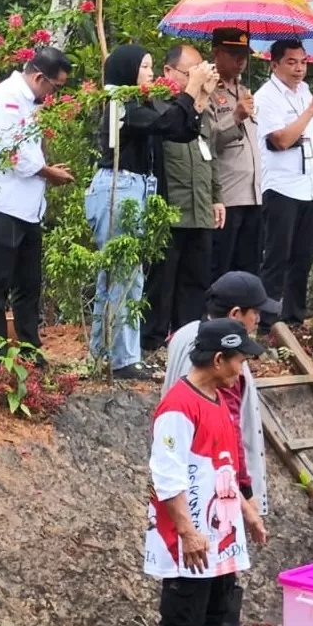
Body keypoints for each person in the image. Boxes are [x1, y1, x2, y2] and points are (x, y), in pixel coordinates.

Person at [145, 317, 268, 626]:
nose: (242, 369)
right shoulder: (178, 406)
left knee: (215, 608)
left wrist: (249, 514)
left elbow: (226, 464)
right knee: (180, 616)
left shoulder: (218, 400)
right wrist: (186, 531)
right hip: (190, 532)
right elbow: (166, 473)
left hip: (220, 528)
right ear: (218, 359)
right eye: (238, 361)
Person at [162, 271, 280, 626]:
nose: (257, 324)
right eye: (255, 315)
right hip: (211, 484)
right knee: (205, 579)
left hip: (196, 478)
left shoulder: (184, 336)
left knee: (201, 578)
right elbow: (228, 433)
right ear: (235, 313)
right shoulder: (224, 361)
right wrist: (245, 495)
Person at [87, 44, 211, 380]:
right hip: (119, 188)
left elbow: (179, 130)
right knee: (124, 275)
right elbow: (164, 122)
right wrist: (188, 88)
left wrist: (197, 97)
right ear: (127, 70)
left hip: (135, 189)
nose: (150, 74)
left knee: (123, 275)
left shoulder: (136, 103)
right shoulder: (119, 103)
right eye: (144, 67)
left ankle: (106, 354)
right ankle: (122, 357)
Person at [0, 46, 75, 366]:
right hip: (2, 203)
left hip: (27, 207)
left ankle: (31, 352)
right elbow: (12, 152)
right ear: (39, 76)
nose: (53, 95)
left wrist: (45, 165)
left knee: (29, 284)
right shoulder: (7, 96)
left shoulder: (29, 101)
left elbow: (29, 147)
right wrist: (49, 173)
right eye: (54, 88)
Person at [142, 44, 221, 354]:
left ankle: (188, 340)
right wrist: (192, 95)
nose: (196, 79)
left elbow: (209, 156)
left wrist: (217, 197)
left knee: (196, 279)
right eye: (190, 74)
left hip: (199, 208)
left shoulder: (201, 109)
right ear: (168, 73)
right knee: (162, 280)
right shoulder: (157, 107)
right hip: (169, 209)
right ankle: (153, 340)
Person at [255, 40, 313, 330]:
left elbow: (311, 141)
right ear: (274, 64)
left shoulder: (304, 92)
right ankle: (267, 322)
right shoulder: (266, 97)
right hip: (281, 187)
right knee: (277, 258)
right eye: (291, 62)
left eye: (303, 61)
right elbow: (282, 139)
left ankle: (294, 319)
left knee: (303, 258)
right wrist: (312, 109)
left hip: (308, 186)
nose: (299, 68)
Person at [205, 28, 262, 277]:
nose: (241, 61)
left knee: (248, 268)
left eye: (245, 54)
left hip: (253, 193)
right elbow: (205, 141)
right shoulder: (206, 91)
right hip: (227, 194)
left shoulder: (244, 91)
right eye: (234, 54)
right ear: (217, 53)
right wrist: (235, 116)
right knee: (221, 266)